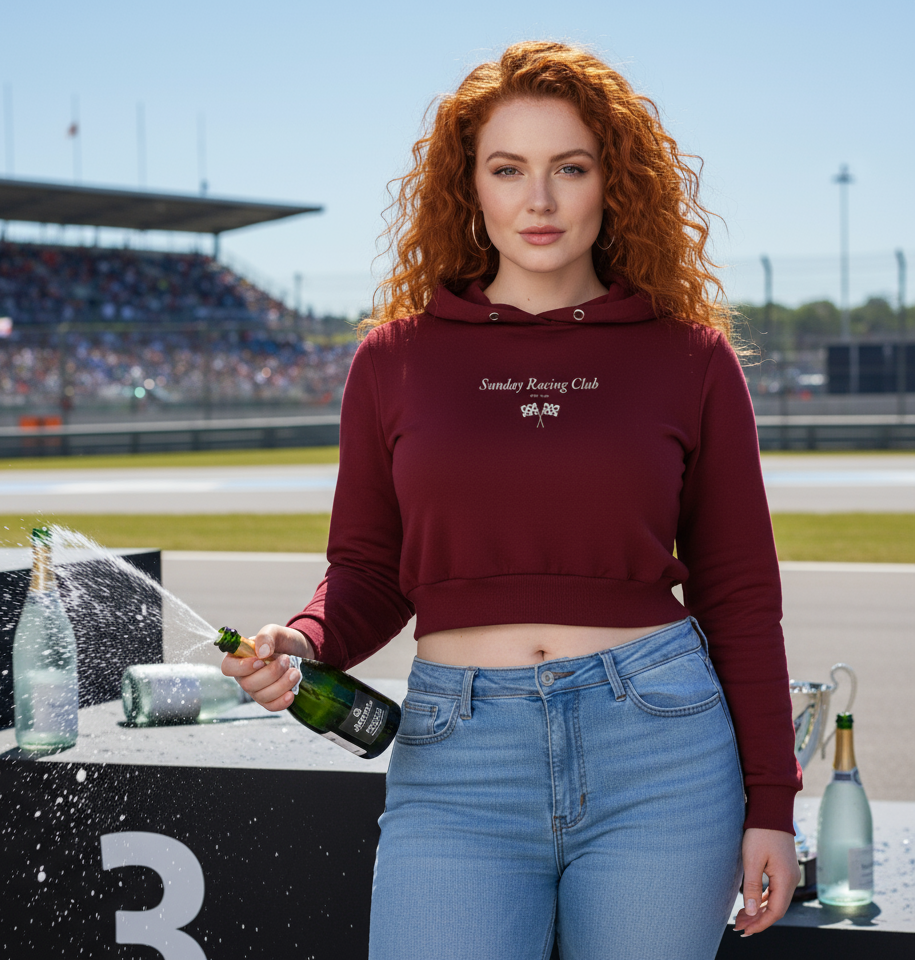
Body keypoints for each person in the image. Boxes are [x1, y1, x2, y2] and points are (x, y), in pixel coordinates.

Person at [221, 40, 801, 960]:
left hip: (661, 756)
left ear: (614, 183)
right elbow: (370, 569)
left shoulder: (691, 356)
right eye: (508, 169)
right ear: (470, 187)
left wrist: (772, 802)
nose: (539, 200)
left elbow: (739, 592)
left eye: (570, 167)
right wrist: (305, 639)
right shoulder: (393, 360)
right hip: (458, 761)